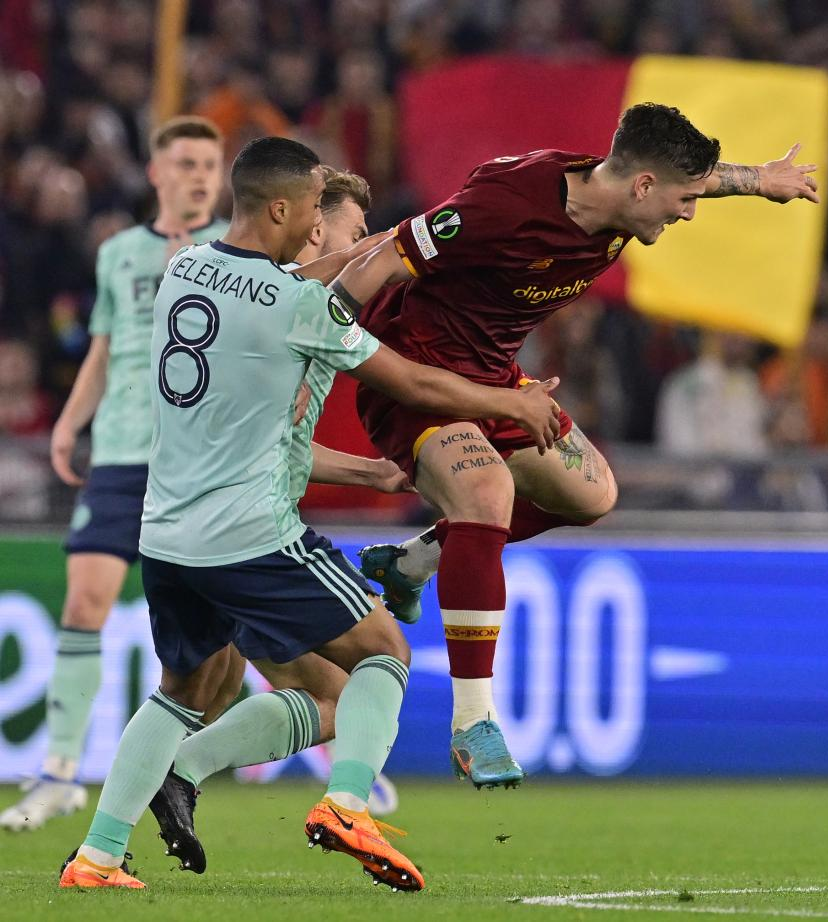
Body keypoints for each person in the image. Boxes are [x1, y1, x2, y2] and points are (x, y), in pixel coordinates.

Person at [59, 136, 561, 891]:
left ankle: (97, 858)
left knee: (183, 694)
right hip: (251, 537)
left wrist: (382, 247)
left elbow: (308, 279)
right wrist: (508, 403)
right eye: (315, 215)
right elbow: (412, 382)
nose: (319, 231)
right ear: (283, 210)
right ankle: (348, 804)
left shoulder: (182, 269)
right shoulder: (297, 309)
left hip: (167, 535)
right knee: (384, 650)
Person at [331, 102, 818, 789]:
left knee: (590, 494)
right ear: (642, 186)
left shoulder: (624, 199)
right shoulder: (502, 206)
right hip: (416, 375)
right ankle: (474, 722)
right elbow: (378, 261)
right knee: (487, 492)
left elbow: (696, 179)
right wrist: (313, 349)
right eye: (681, 199)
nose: (688, 213)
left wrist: (759, 180)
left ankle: (414, 561)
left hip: (496, 378)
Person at [147, 167, 408, 875]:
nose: (354, 240)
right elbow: (358, 288)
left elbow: (283, 443)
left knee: (218, 695)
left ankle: (113, 836)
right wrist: (405, 241)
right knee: (355, 672)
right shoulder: (292, 302)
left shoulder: (249, 285)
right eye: (349, 226)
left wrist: (372, 474)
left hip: (194, 523)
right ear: (313, 222)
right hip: (247, 536)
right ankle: (183, 780)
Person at [0, 116, 228, 832]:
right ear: (155, 173)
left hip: (201, 462)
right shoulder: (119, 253)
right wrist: (70, 422)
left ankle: (200, 765)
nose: (199, 176)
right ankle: (59, 773)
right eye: (185, 163)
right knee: (83, 602)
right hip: (124, 454)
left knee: (216, 636)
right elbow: (105, 348)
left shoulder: (236, 252)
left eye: (209, 165)